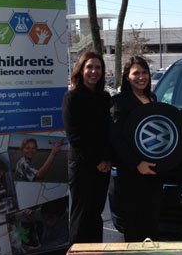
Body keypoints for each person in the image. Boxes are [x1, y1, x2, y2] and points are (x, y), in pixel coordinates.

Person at [62, 51, 113, 243]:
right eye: (89, 67)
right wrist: (97, 161)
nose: (94, 71)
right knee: (81, 216)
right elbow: (75, 137)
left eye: (98, 67)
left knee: (95, 214)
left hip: (103, 167)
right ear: (81, 70)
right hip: (83, 167)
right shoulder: (72, 98)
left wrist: (108, 160)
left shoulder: (104, 98)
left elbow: (109, 132)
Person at [110, 56, 162, 242]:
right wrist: (137, 163)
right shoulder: (119, 101)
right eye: (136, 73)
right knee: (135, 224)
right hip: (132, 174)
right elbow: (116, 139)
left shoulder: (152, 98)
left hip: (153, 172)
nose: (142, 77)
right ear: (127, 77)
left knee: (152, 222)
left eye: (144, 72)